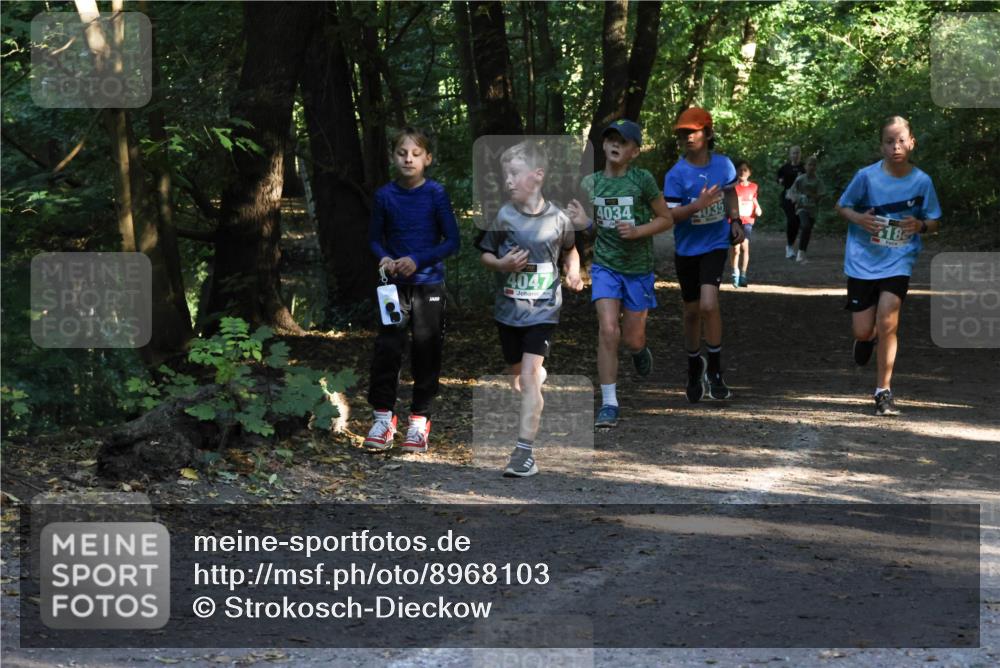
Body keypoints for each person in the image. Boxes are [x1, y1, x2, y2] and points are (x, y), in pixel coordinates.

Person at [478, 141, 583, 477]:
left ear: (537, 176)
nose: (507, 181)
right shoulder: (503, 216)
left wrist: (573, 270)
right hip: (508, 312)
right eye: (504, 174)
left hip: (543, 312)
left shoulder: (559, 219)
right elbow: (486, 255)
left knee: (528, 376)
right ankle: (535, 381)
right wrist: (503, 264)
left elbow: (571, 250)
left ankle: (524, 454)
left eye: (514, 174)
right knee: (521, 381)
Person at [566, 119, 673, 428]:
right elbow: (592, 226)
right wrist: (585, 221)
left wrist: (639, 230)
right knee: (608, 330)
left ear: (635, 152)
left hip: (638, 269)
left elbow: (666, 219)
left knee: (632, 337)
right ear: (603, 145)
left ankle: (640, 350)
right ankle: (609, 403)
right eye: (611, 139)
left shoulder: (643, 181)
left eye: (623, 142)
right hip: (605, 267)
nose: (615, 145)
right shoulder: (591, 184)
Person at [834, 115, 941, 416]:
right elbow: (841, 207)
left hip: (899, 260)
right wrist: (860, 218)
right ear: (881, 146)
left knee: (888, 321)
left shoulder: (922, 181)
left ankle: (884, 391)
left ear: (912, 143)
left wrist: (920, 225)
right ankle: (866, 340)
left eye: (901, 140)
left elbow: (934, 222)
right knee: (863, 330)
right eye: (889, 141)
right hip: (862, 261)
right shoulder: (866, 177)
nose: (896, 146)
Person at [364, 127, 460, 451]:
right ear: (393, 157)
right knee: (388, 347)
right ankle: (382, 418)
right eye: (402, 153)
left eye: (416, 154)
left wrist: (418, 259)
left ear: (427, 159)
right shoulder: (384, 196)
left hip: (428, 284)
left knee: (426, 350)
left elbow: (453, 241)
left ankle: (419, 421)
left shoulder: (435, 194)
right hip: (391, 286)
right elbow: (374, 239)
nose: (408, 158)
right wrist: (386, 257)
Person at [663, 107, 743, 403]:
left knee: (710, 304)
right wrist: (697, 205)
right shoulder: (676, 175)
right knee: (692, 312)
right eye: (682, 133)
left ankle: (717, 372)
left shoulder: (724, 166)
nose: (686, 138)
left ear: (708, 133)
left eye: (692, 132)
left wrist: (735, 221)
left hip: (715, 245)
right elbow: (672, 217)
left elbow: (731, 193)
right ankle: (694, 365)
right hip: (687, 250)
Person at [785, 155, 826, 264]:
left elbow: (822, 194)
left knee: (807, 230)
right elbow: (791, 192)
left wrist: (812, 195)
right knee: (805, 226)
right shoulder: (800, 179)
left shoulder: (818, 181)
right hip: (801, 208)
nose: (811, 167)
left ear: (816, 167)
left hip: (813, 209)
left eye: (813, 165)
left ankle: (802, 252)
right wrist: (797, 198)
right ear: (805, 166)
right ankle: (799, 254)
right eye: (809, 165)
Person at [731, 159, 761, 287]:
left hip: (748, 220)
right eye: (740, 170)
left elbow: (754, 198)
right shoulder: (732, 187)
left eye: (745, 170)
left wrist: (758, 207)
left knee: (744, 247)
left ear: (749, 172)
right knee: (736, 249)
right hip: (735, 220)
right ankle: (735, 273)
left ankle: (743, 274)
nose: (742, 172)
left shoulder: (754, 186)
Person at [777, 145, 805, 259]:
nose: (795, 155)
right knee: (792, 219)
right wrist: (780, 181)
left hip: (801, 197)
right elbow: (778, 179)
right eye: (793, 153)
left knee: (798, 222)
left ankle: (791, 245)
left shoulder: (804, 168)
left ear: (800, 154)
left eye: (797, 153)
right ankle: (789, 247)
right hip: (788, 196)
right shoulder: (784, 168)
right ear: (790, 154)